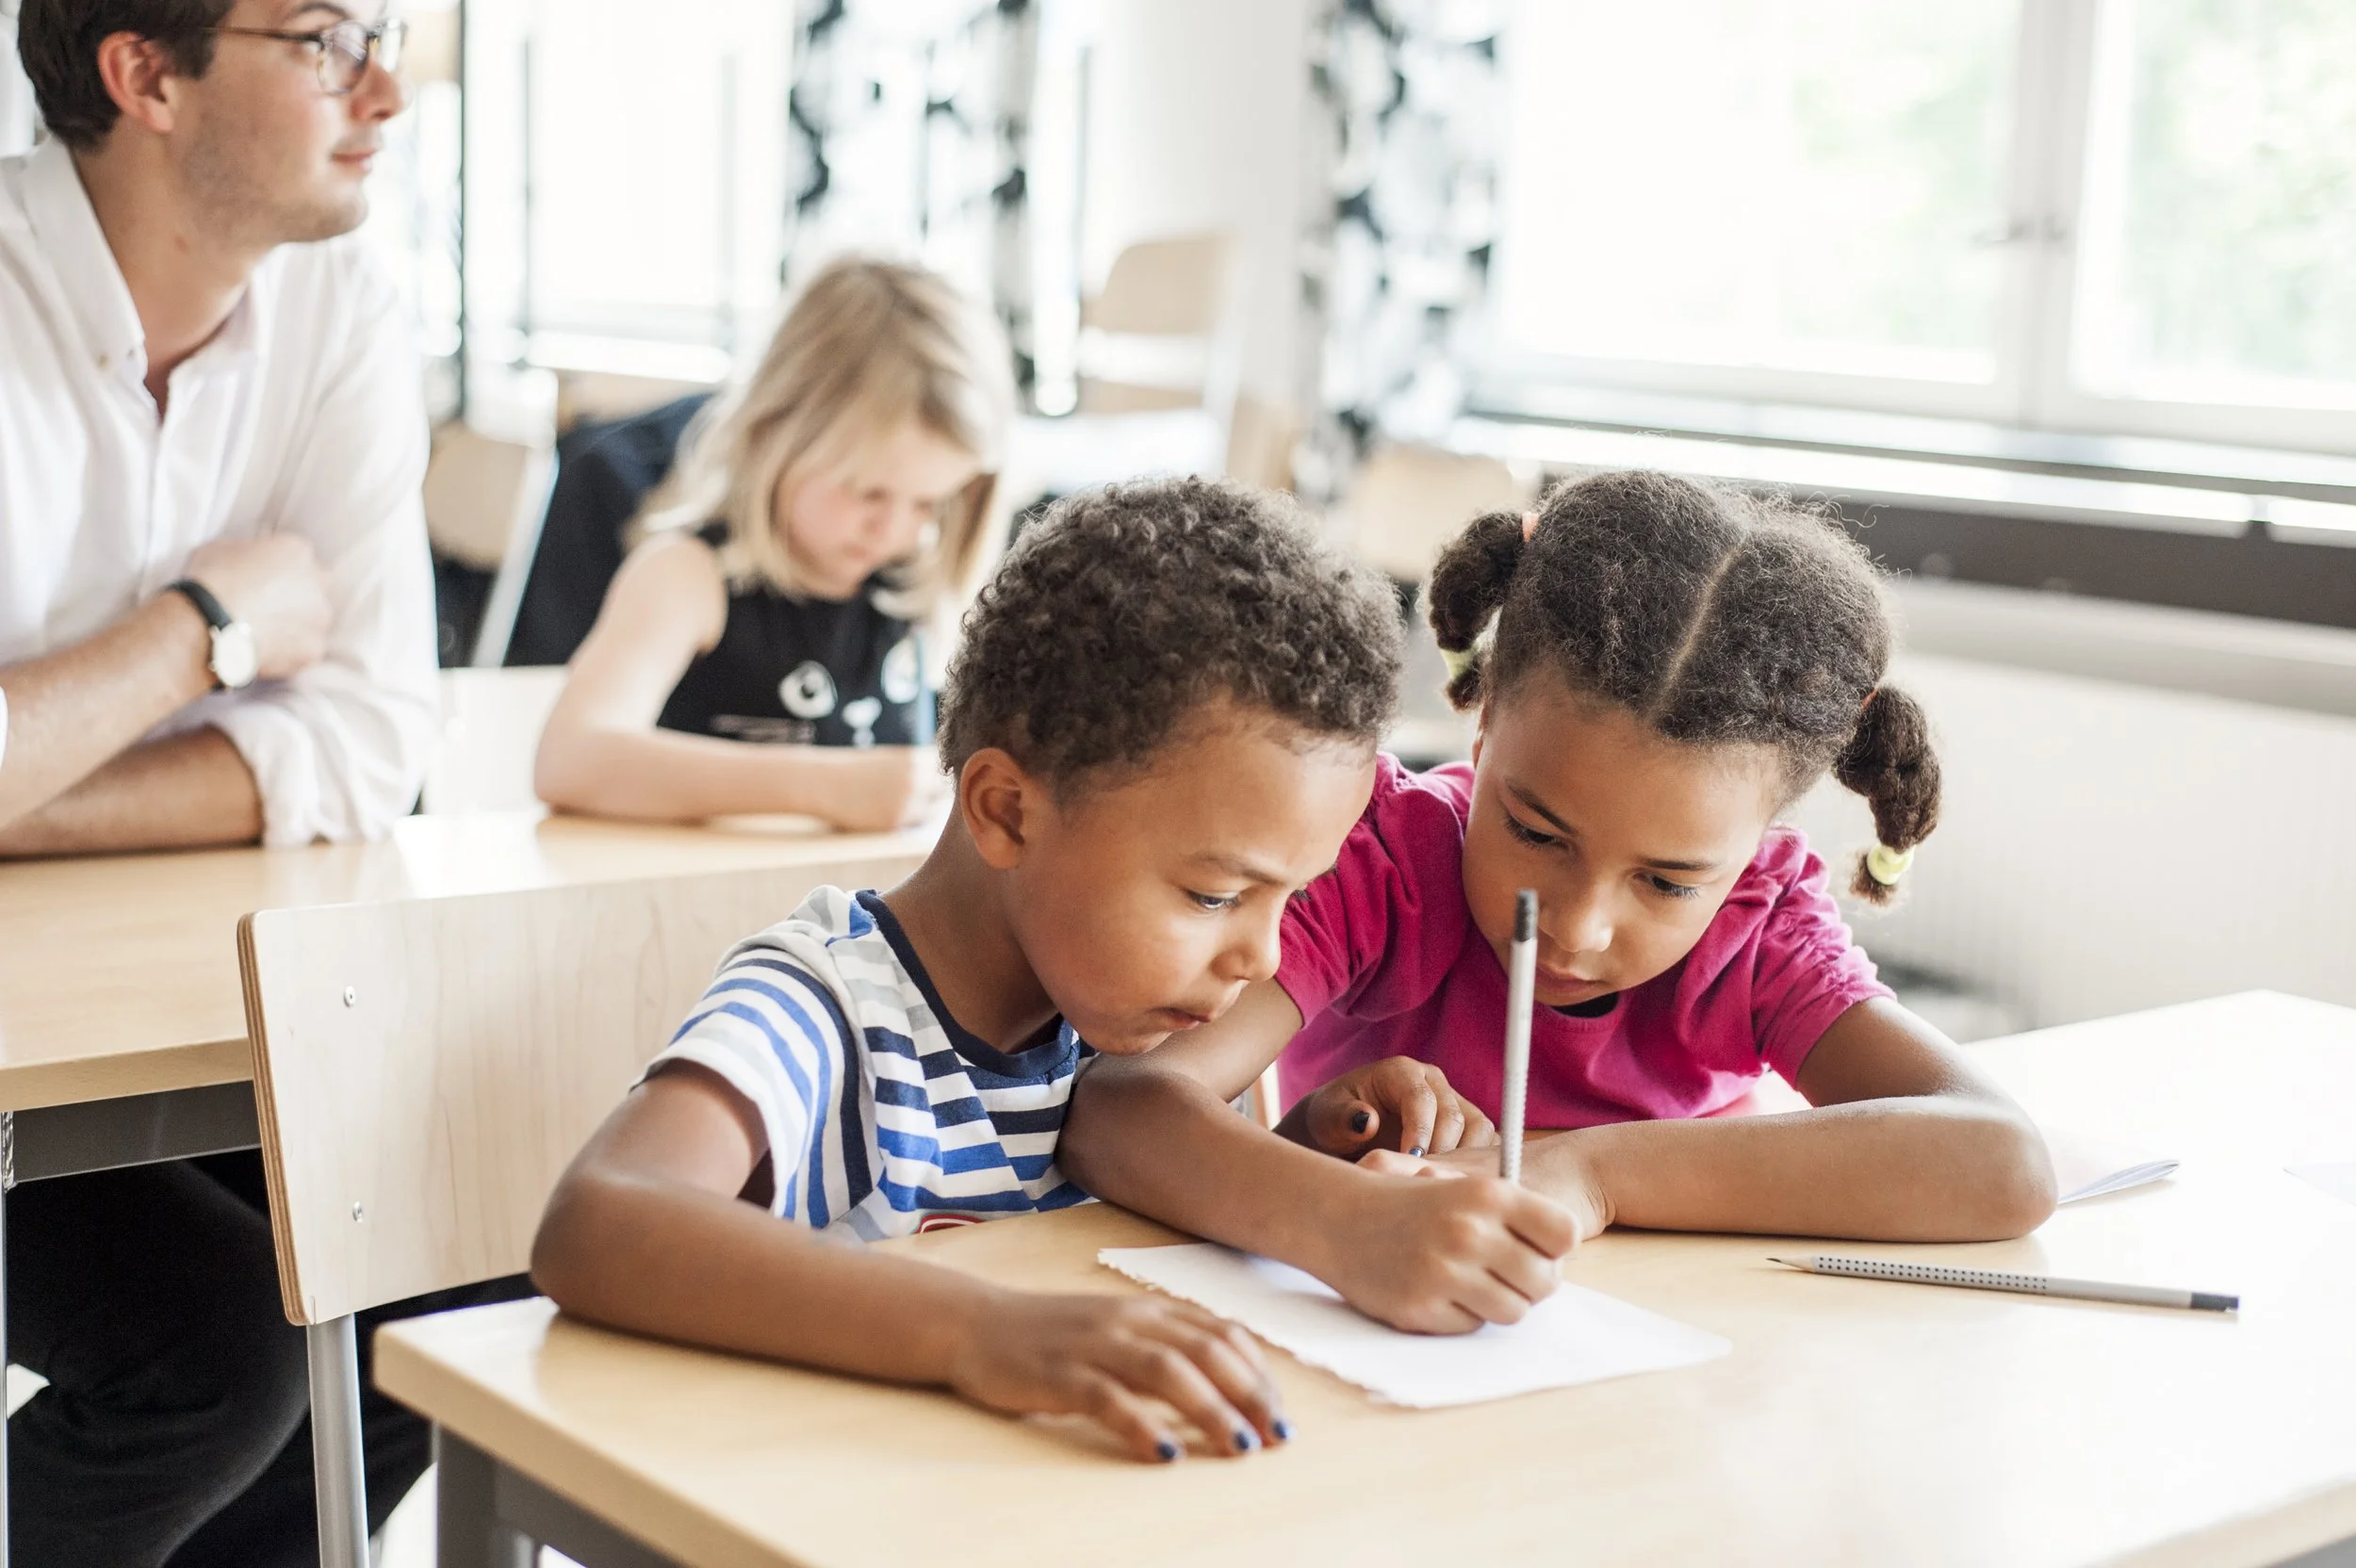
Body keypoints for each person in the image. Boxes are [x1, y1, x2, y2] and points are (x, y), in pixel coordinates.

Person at [532, 479, 1584, 1461]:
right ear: (1006, 809)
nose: (1259, 954)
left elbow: (1117, 1234)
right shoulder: (826, 1007)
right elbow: (601, 1217)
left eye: (1290, 897)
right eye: (1213, 894)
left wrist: (1317, 1141)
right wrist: (979, 1329)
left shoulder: (1129, 1013)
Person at [1058, 470, 2058, 1298]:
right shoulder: (1388, 862)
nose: (1578, 928)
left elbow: (1999, 1161)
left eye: (1667, 881)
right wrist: (1345, 1220)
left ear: (1760, 837)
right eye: (1535, 831)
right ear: (1482, 722)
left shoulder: (1757, 926)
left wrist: (1589, 1171)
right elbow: (1123, 1108)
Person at [0, 5, 514, 1562]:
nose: (388, 87)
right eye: (325, 37)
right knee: (215, 1349)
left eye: (392, 31)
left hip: (176, 994)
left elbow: (368, 743)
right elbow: (298, 714)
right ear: (145, 75)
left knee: (465, 1270)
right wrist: (198, 634)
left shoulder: (342, 309)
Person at [532, 256, 1013, 830]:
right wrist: (827, 786)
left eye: (930, 502)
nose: (896, 530)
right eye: (867, 492)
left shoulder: (911, 585)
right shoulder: (685, 579)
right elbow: (569, 761)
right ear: (774, 435)